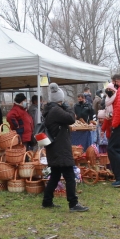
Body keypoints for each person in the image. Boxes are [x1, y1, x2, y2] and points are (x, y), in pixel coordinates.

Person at [41, 83, 89, 212]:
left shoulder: (50, 109)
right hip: (60, 149)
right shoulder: (56, 110)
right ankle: (73, 204)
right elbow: (70, 119)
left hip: (55, 148)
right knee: (69, 176)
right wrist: (68, 107)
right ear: (59, 99)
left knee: (55, 176)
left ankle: (47, 201)